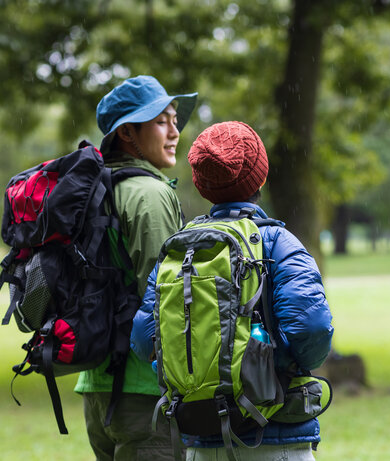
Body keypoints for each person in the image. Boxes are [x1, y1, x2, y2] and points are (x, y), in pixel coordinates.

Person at [131, 121, 334, 461]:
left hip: (201, 437)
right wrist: (258, 367)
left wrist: (201, 375)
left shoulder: (180, 251)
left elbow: (144, 337)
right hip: (274, 434)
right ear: (261, 177)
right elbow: (311, 330)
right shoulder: (277, 242)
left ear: (202, 186)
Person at [74, 75, 197, 460]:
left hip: (96, 386)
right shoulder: (150, 194)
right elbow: (167, 294)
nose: (175, 132)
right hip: (145, 395)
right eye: (162, 122)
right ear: (128, 133)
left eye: (175, 120)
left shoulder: (91, 188)